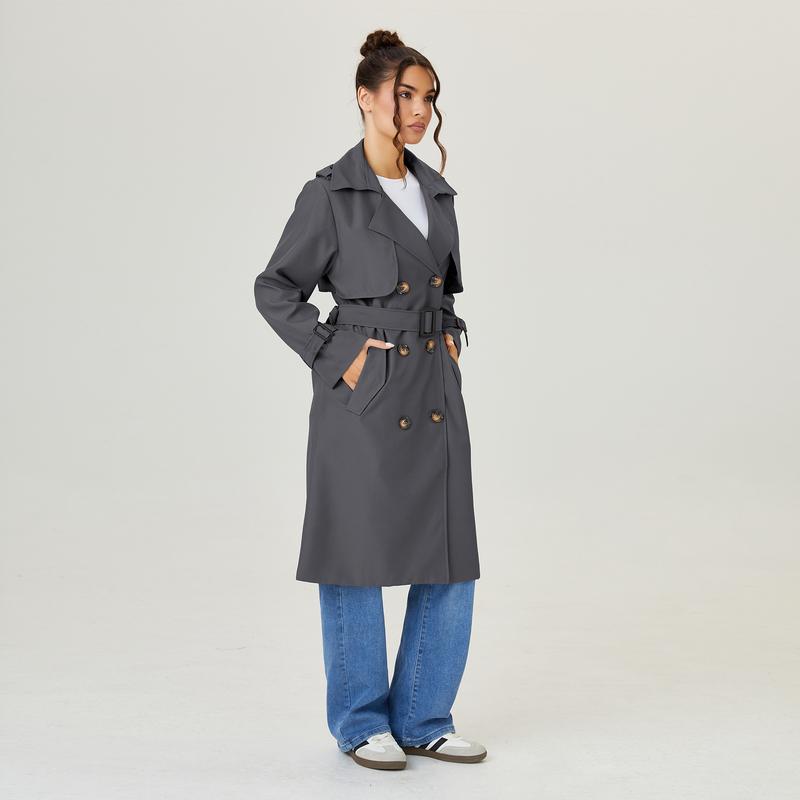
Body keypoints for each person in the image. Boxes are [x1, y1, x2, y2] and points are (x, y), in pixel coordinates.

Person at [253, 28, 486, 770]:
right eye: (405, 94)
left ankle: (424, 715)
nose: (420, 110)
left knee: (449, 556)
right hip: (363, 397)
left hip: (434, 388)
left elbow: (438, 287)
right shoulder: (330, 193)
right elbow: (275, 288)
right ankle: (360, 722)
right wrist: (340, 355)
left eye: (429, 98)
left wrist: (449, 335)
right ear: (366, 97)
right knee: (353, 557)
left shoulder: (436, 191)